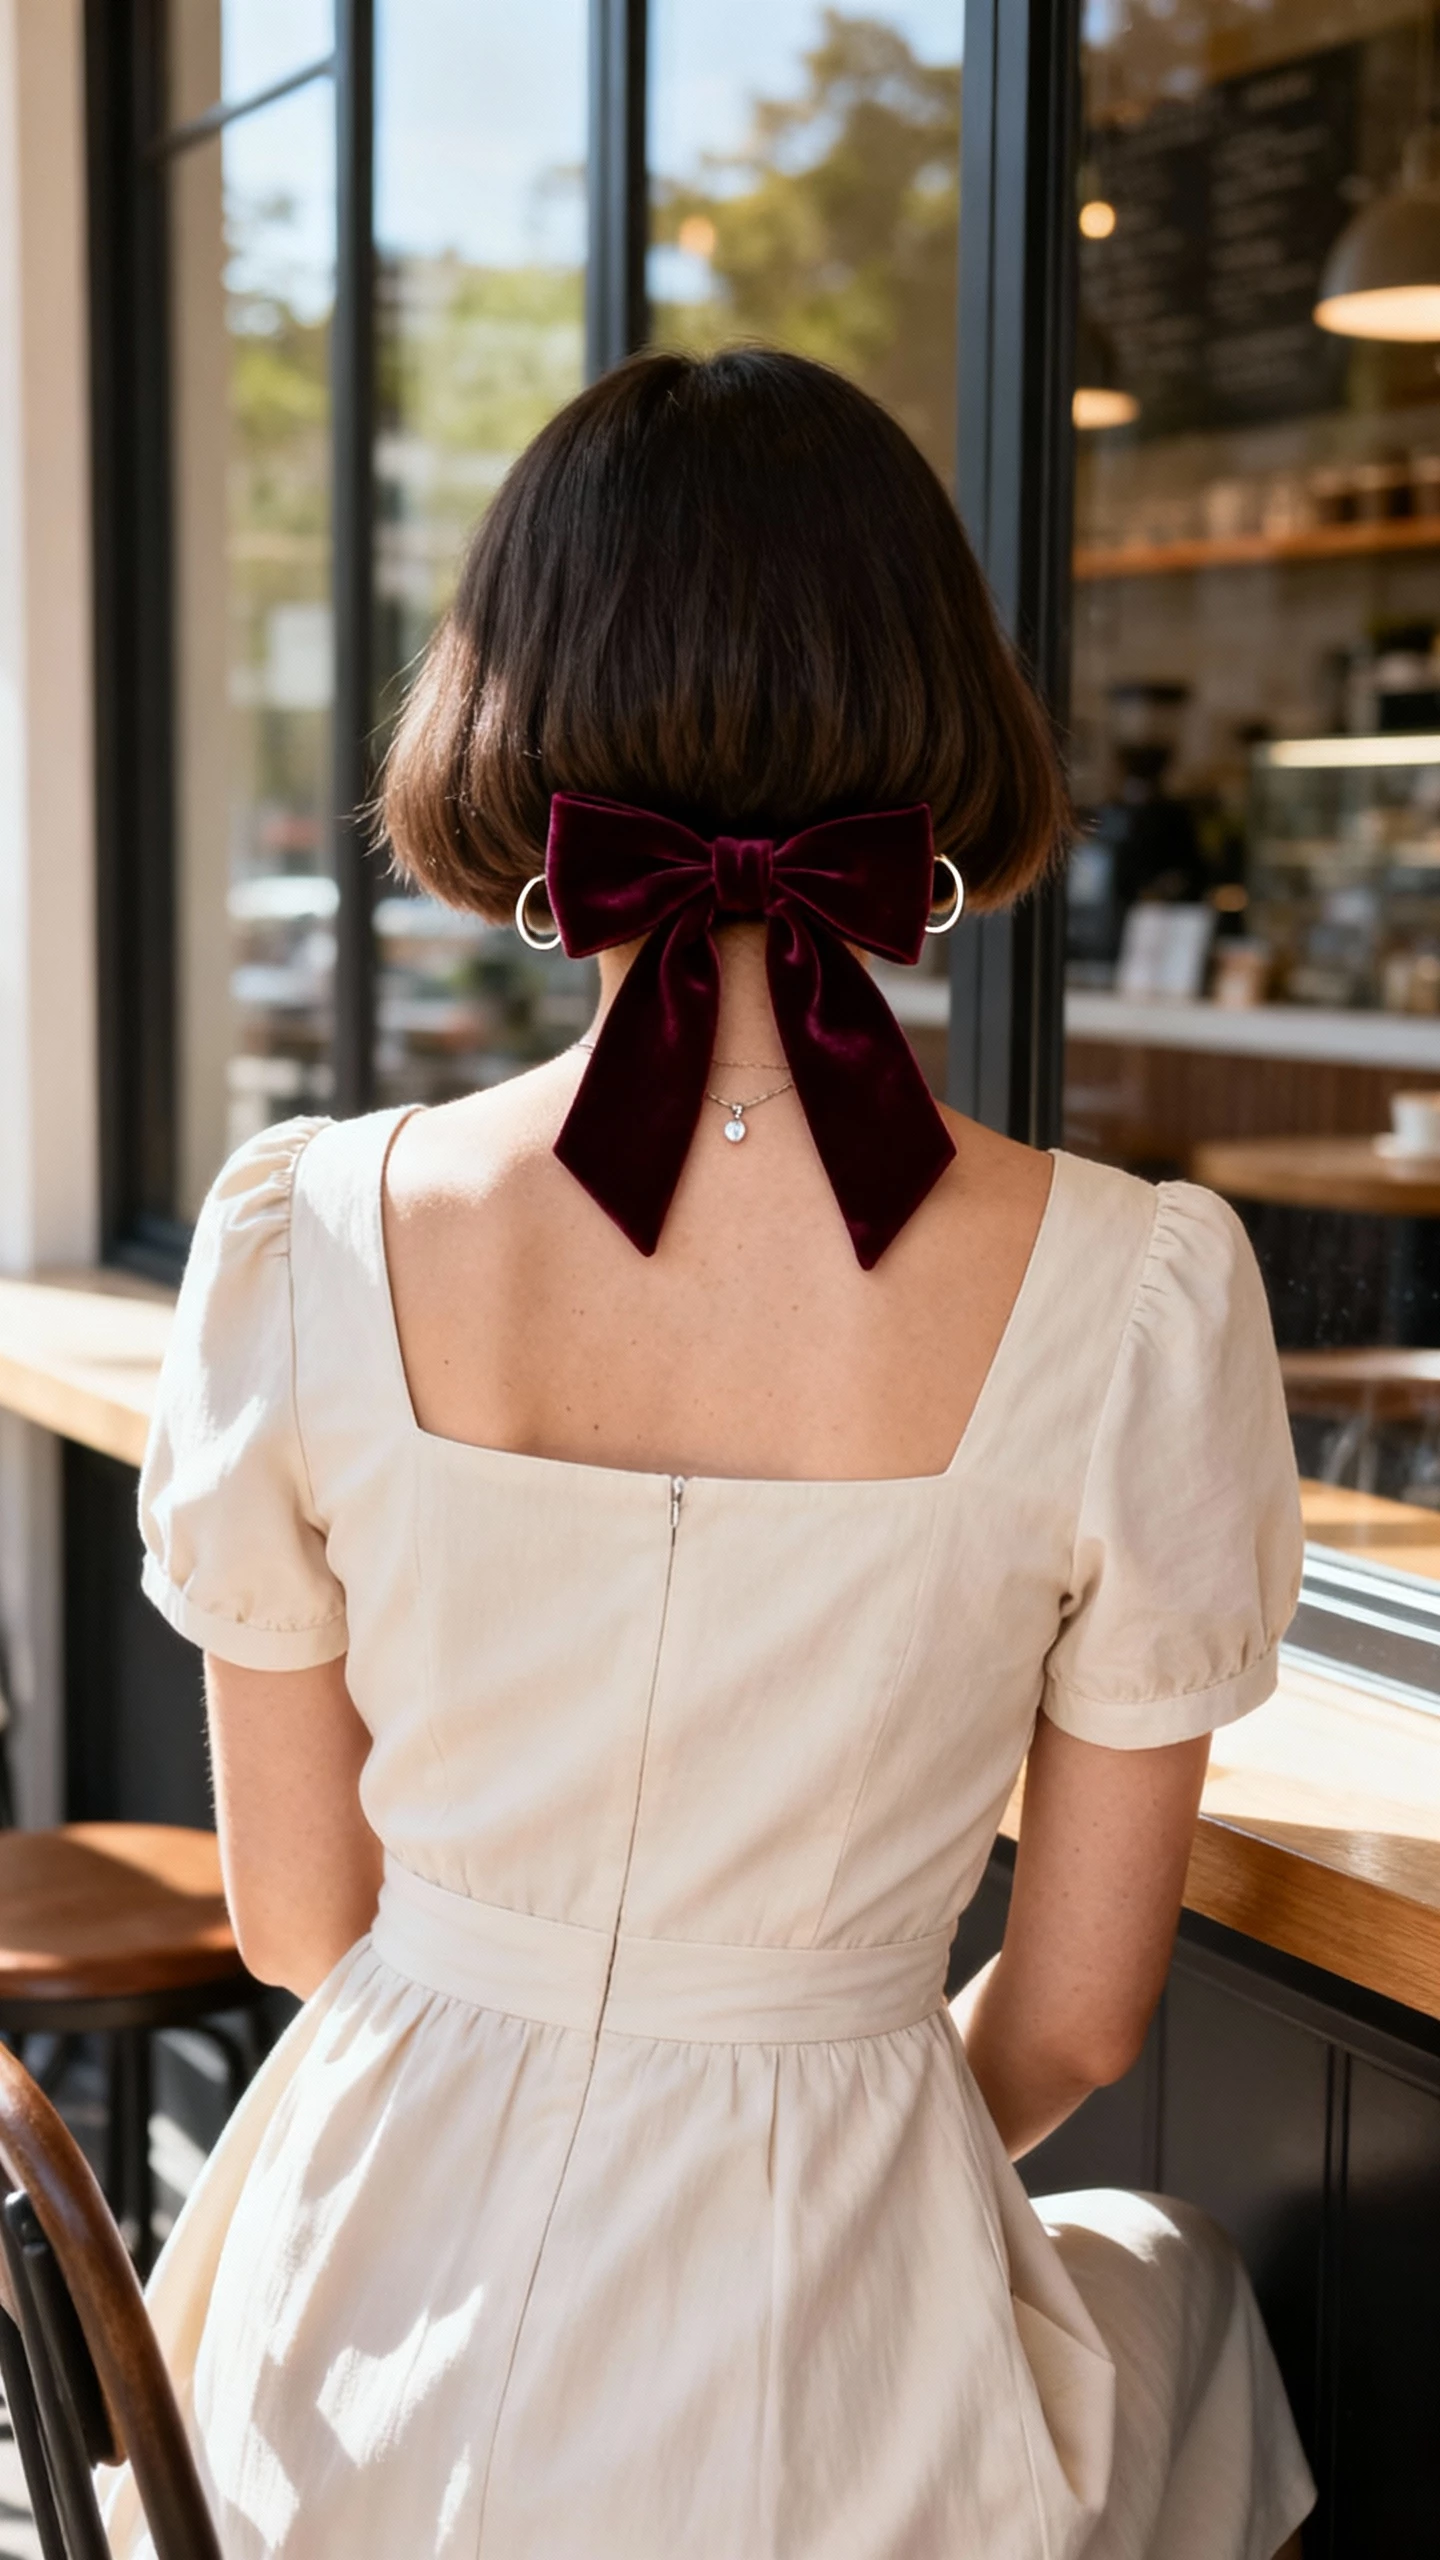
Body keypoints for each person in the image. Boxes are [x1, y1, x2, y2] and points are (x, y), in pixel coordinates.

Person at [107, 348, 1313, 2560]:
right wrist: (785, 2143)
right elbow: (1077, 2007)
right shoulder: (1138, 1288)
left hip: (345, 2351)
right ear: (937, 705)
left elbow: (300, 1919)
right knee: (1194, 2294)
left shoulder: (302, 1233)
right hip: (828, 2372)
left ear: (510, 714)